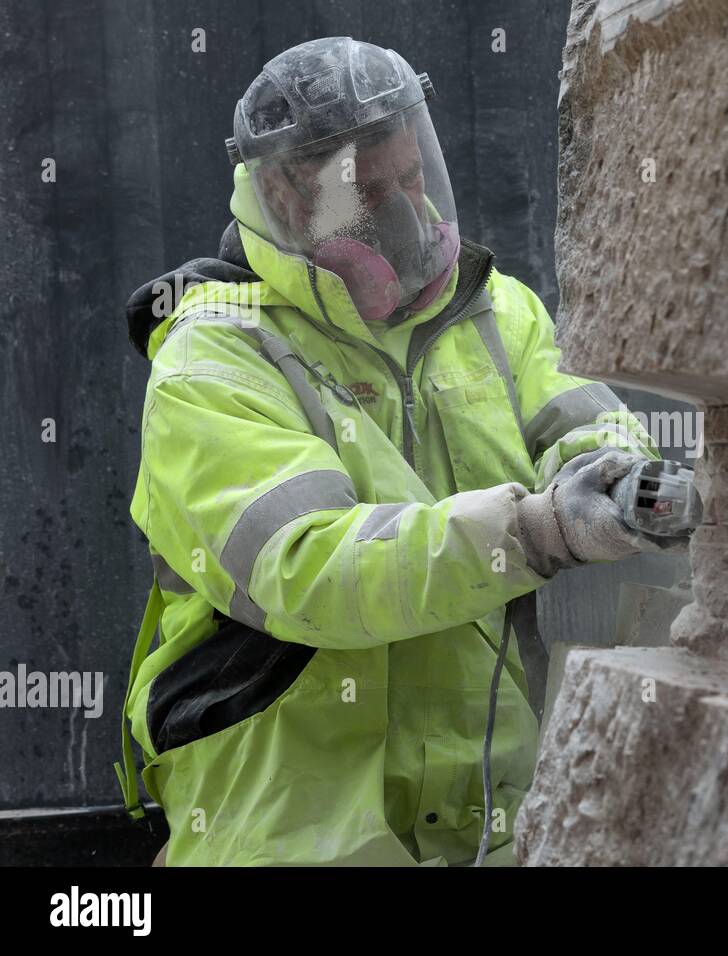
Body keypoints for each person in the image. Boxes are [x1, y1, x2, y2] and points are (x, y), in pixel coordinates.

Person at [116, 37, 667, 866]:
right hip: (297, 829)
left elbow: (590, 426)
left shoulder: (493, 314)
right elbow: (311, 573)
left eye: (412, 178)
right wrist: (535, 531)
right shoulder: (218, 354)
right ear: (280, 194)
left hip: (489, 817)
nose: (409, 213)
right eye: (368, 193)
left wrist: (621, 482)